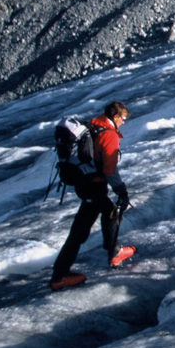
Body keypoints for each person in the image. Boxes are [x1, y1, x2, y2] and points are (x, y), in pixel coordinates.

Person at [49, 101, 136, 291]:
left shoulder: (94, 125)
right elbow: (109, 170)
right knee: (81, 231)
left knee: (107, 213)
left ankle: (112, 250)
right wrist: (121, 190)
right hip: (93, 186)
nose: (123, 122)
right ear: (115, 117)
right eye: (123, 118)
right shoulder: (109, 135)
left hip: (85, 184)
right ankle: (60, 275)